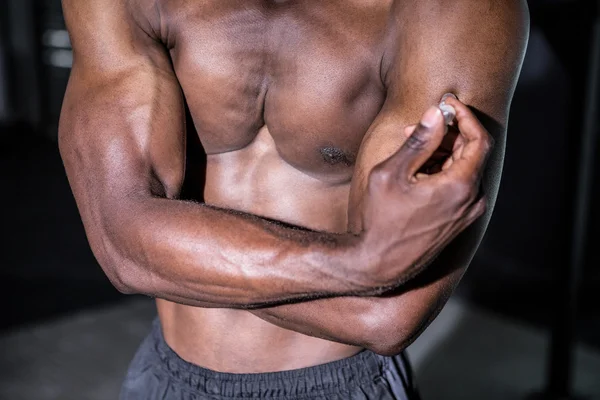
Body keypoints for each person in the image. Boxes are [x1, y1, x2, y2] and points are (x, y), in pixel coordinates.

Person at [59, 0, 529, 398]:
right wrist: (364, 264)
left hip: (338, 386)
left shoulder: (454, 11)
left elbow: (388, 314)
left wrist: (164, 251)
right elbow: (121, 243)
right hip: (165, 376)